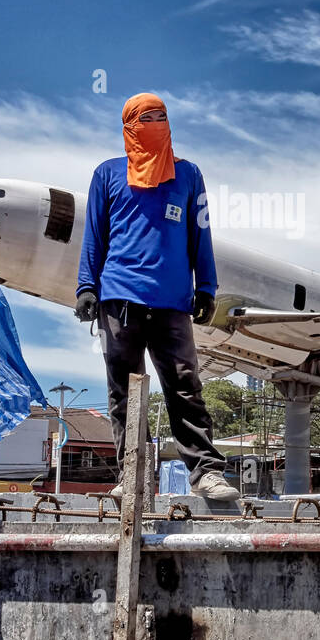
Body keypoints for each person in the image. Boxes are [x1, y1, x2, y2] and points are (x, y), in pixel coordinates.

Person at [75, 92, 240, 502]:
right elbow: (94, 236)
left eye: (161, 117)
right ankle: (132, 475)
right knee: (125, 392)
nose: (155, 123)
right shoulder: (108, 174)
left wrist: (207, 287)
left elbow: (201, 234)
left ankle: (206, 473)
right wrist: (85, 286)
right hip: (119, 298)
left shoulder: (188, 175)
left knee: (185, 385)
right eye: (145, 117)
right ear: (129, 126)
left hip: (172, 301)